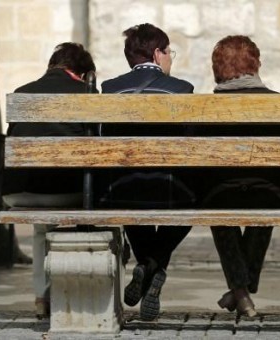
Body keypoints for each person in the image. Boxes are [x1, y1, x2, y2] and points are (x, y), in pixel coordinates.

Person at [99, 23, 195, 321]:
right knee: (192, 201)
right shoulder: (182, 90)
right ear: (157, 53)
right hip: (170, 187)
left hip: (121, 188)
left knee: (130, 198)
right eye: (169, 53)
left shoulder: (110, 89)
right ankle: (152, 264)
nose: (171, 59)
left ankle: (145, 264)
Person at [1, 42, 97, 318]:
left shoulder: (21, 94)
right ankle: (78, 292)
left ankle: (42, 296)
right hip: (69, 192)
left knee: (42, 226)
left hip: (18, 192)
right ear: (82, 73)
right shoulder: (87, 94)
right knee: (87, 208)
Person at [199, 35, 280, 317]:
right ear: (256, 64)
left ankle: (240, 292)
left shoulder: (202, 109)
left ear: (218, 68)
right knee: (264, 207)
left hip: (220, 192)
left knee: (219, 211)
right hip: (269, 191)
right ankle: (243, 288)